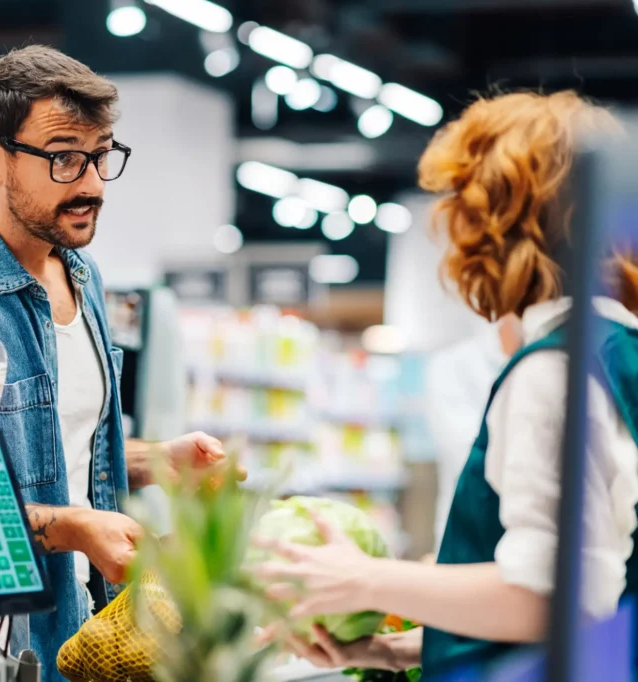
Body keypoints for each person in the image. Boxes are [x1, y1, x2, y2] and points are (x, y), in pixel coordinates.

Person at [0, 45, 233, 680]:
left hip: (87, 635)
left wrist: (155, 461)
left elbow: (54, 451)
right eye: (63, 158)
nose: (91, 184)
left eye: (101, 155)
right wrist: (72, 529)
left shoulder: (81, 274)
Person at [253, 90, 638, 677]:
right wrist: (394, 649)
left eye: (460, 205)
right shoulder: (616, 351)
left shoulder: (552, 370)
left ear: (494, 221)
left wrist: (363, 579)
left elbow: (551, 596)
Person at [425, 315, 521, 551]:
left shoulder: (551, 361)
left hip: (527, 542)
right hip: (470, 539)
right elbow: (471, 459)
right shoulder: (452, 365)